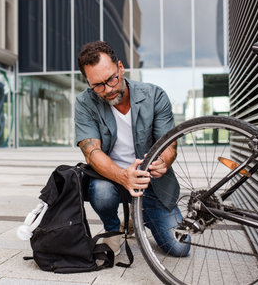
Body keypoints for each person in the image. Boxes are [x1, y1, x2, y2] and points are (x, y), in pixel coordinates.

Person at [75, 40, 190, 257]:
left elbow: (170, 144)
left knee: (180, 248)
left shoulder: (155, 96)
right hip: (111, 178)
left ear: (120, 67)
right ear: (88, 82)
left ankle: (140, 216)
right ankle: (112, 228)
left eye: (111, 79)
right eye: (98, 85)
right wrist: (123, 176)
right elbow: (92, 152)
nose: (107, 89)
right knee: (101, 192)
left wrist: (163, 162)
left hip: (151, 181)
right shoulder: (84, 103)